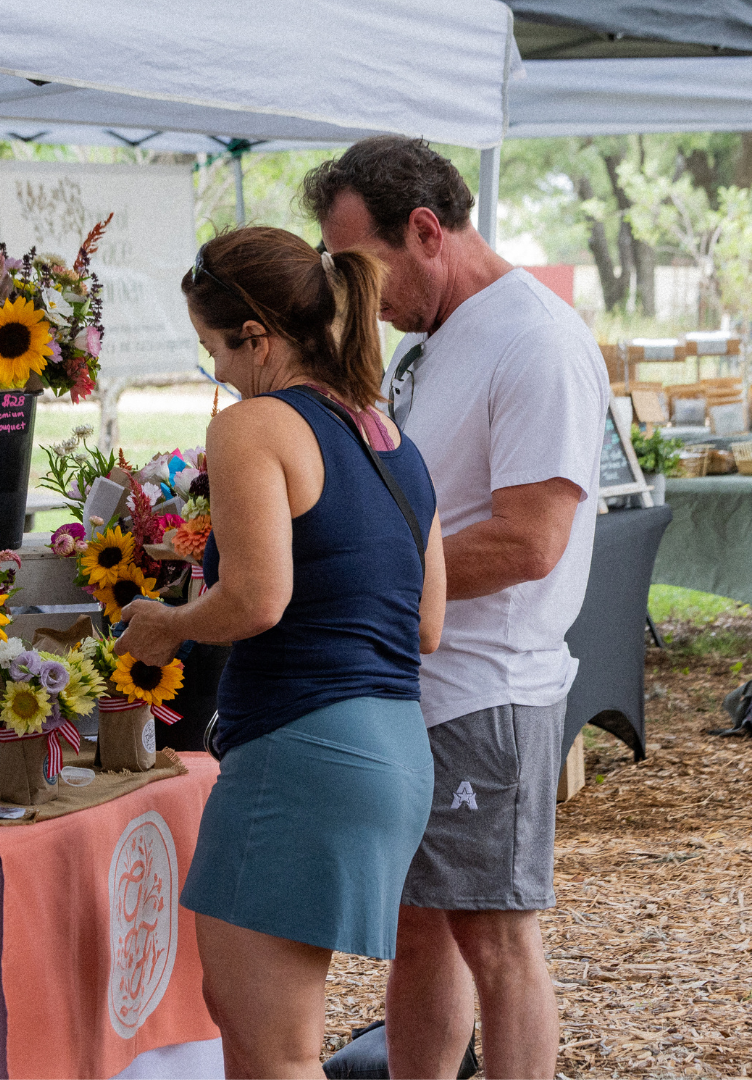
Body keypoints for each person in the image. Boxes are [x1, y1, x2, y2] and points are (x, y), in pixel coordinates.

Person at [302, 136, 609, 1080]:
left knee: (498, 941)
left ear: (426, 230)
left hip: (489, 692)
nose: (351, 289)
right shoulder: (423, 344)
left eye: (360, 263)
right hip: (418, 685)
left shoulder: (536, 340)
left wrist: (367, 580)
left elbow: (530, 541)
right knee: (418, 926)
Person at [116, 225, 446, 1079]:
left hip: (302, 749)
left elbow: (259, 600)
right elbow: (425, 626)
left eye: (214, 349)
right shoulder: (390, 441)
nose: (216, 372)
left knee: (277, 1052)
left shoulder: (255, 426)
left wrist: (169, 621)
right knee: (251, 1020)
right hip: (396, 749)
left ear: (257, 337)